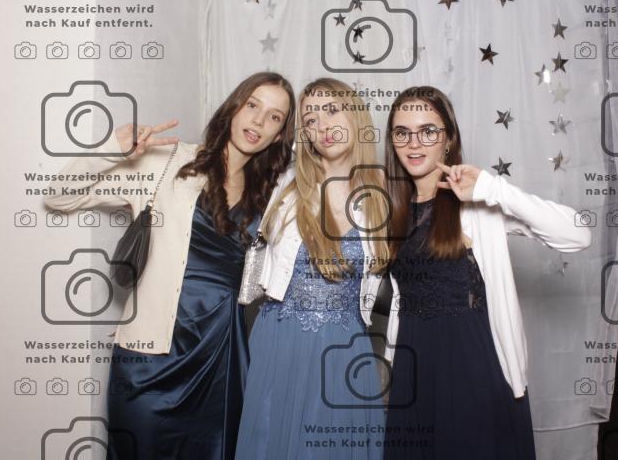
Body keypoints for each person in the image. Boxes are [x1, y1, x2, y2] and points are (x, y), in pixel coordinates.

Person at [44, 71, 296, 459]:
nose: (259, 121)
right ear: (233, 108)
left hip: (219, 357)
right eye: (252, 105)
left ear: (279, 135)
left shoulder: (270, 193)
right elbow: (59, 196)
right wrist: (111, 148)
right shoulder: (168, 162)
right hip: (149, 358)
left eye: (274, 116)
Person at [381, 86, 592, 459]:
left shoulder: (477, 203)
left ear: (448, 139)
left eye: (428, 131)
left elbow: (578, 234)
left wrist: (493, 189)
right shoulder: (389, 210)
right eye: (403, 132)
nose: (414, 143)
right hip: (414, 361)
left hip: (472, 358)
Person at [235, 78, 392, 460]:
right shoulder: (282, 183)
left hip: (346, 349)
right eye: (310, 119)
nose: (322, 126)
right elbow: (227, 163)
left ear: (354, 115)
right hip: (280, 342)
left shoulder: (383, 194)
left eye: (331, 110)